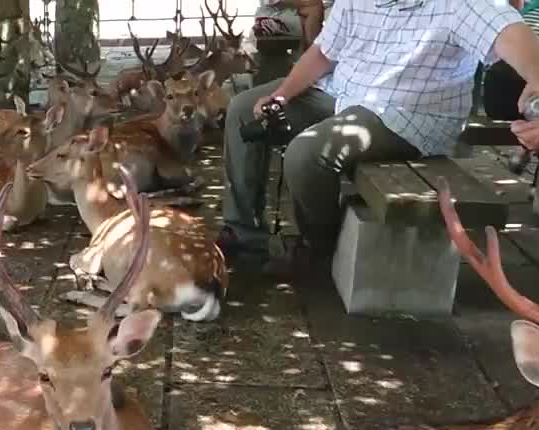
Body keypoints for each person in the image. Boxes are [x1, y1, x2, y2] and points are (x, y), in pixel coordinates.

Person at [219, 0, 539, 274]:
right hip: (342, 93)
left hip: (407, 115)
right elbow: (323, 53)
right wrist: (281, 96)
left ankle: (317, 248)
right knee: (244, 109)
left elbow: (509, 32)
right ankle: (244, 235)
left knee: (308, 153)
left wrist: (537, 78)